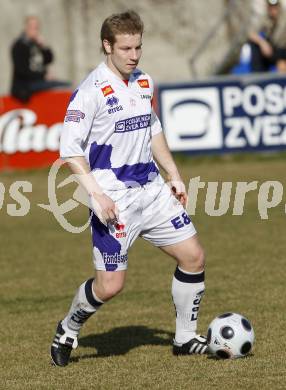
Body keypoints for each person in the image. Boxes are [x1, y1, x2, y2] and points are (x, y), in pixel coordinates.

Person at [50, 10, 207, 367]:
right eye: (125, 48)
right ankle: (69, 326)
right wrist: (97, 194)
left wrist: (174, 174)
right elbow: (70, 151)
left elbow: (152, 129)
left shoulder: (143, 82)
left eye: (138, 47)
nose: (133, 55)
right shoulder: (91, 91)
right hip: (113, 200)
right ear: (107, 46)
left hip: (151, 190)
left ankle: (185, 338)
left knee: (194, 257)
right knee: (110, 287)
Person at [10, 15, 70, 102]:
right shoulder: (19, 45)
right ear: (26, 27)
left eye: (36, 27)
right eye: (31, 27)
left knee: (66, 86)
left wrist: (44, 46)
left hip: (38, 82)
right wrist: (44, 75)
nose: (34, 30)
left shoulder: (37, 44)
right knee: (61, 86)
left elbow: (49, 59)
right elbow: (22, 70)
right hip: (24, 86)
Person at [248, 0, 286, 72]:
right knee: (254, 45)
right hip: (271, 50)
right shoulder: (265, 18)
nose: (273, 10)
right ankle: (258, 76)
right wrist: (262, 43)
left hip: (283, 50)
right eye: (271, 7)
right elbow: (251, 33)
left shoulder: (284, 17)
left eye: (275, 7)